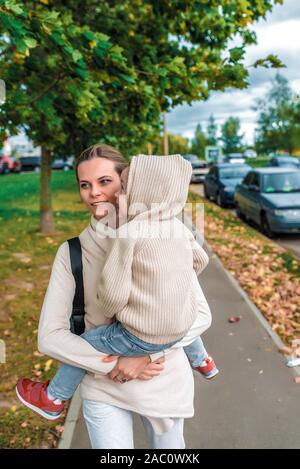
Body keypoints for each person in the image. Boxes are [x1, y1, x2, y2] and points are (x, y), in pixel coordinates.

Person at [16, 144, 213, 449]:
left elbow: (200, 314)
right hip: (103, 388)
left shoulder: (166, 232)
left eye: (104, 181)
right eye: (85, 185)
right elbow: (49, 337)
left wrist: (148, 355)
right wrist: (115, 364)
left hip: (164, 382)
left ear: (127, 182)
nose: (94, 192)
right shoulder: (72, 253)